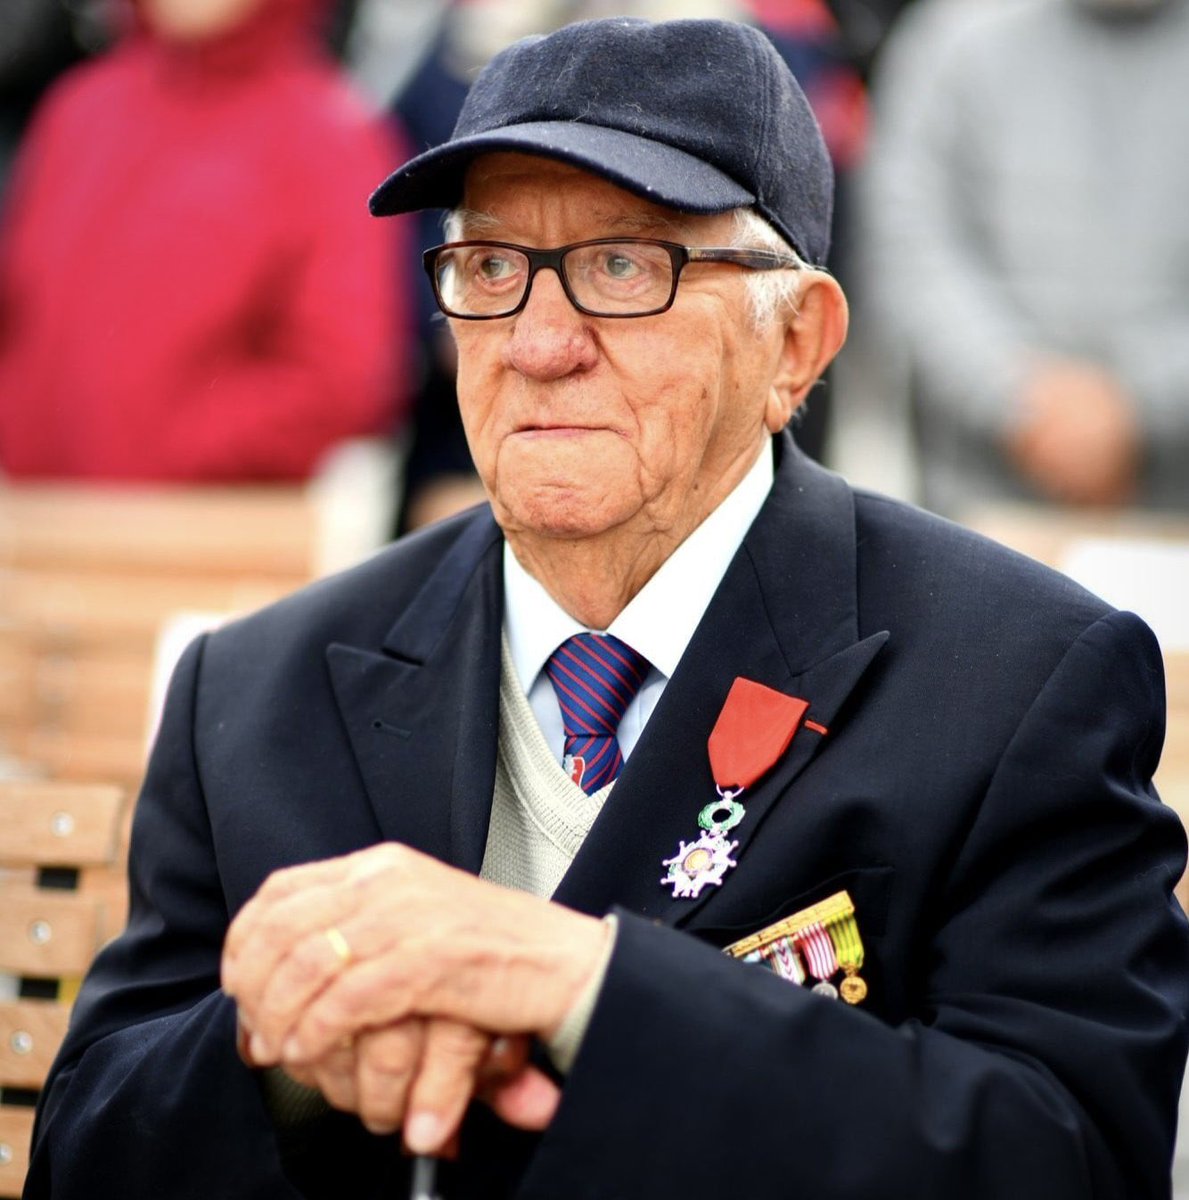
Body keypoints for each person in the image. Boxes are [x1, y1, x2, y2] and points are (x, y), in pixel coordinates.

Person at [26, 16, 1188, 1200]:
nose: (537, 343)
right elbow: (87, 1153)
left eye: (625, 266)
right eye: (490, 267)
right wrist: (286, 1046)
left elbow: (1068, 1157)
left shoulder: (1014, 679)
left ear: (796, 342)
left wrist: (590, 988)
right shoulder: (254, 691)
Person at [0, 0, 411, 482]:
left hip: (205, 520)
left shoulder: (330, 133)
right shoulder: (79, 107)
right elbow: (18, 310)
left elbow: (343, 380)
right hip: (34, 512)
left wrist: (157, 444)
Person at [855, 0, 1189, 516]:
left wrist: (1141, 407)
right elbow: (905, 239)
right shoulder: (954, 39)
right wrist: (1015, 395)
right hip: (977, 502)